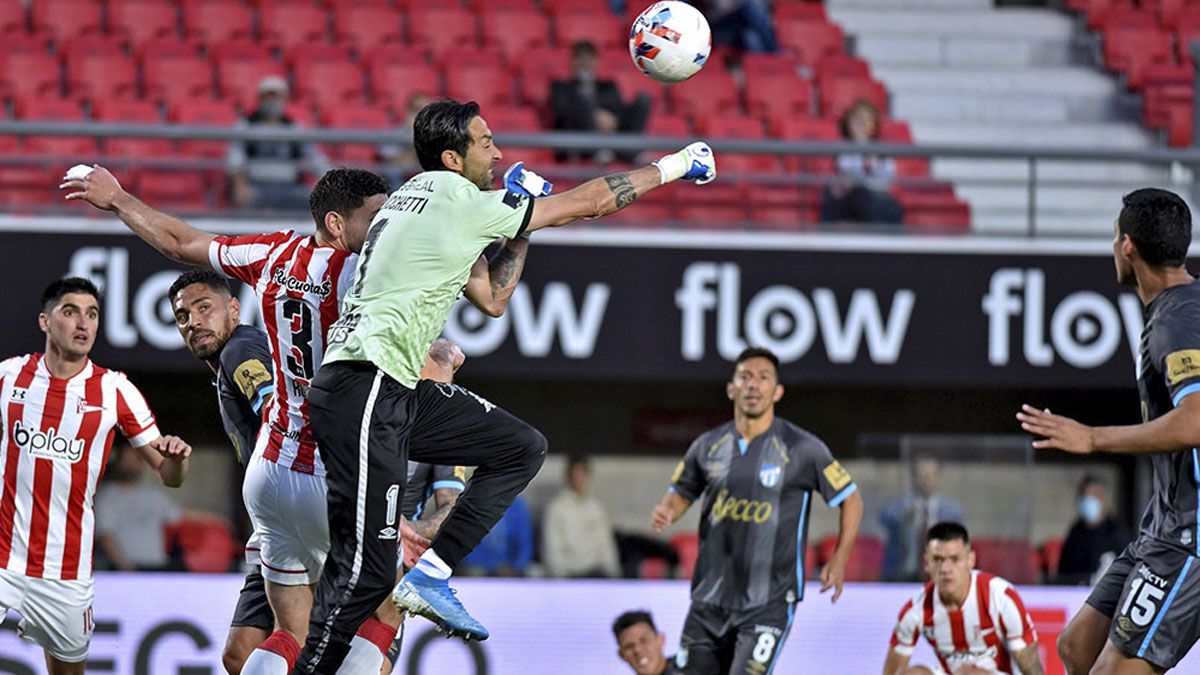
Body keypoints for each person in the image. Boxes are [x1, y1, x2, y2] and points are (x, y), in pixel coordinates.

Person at [305, 97, 713, 670]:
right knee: (365, 569)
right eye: (485, 142)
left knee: (520, 447)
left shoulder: (419, 200)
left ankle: (431, 574)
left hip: (385, 389)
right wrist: (673, 166)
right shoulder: (457, 199)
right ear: (453, 157)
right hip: (365, 385)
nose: (497, 152)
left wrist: (519, 218)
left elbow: (492, 300)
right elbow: (591, 202)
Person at [59, 167, 433, 675]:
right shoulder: (362, 275)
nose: (386, 226)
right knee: (384, 611)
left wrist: (121, 199)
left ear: (234, 308)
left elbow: (180, 240)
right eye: (376, 216)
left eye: (203, 308)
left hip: (271, 478)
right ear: (337, 223)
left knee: (278, 640)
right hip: (329, 477)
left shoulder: (271, 256)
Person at [1017, 188, 1200, 675]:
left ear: (1127, 246)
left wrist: (1093, 438)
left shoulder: (1178, 321)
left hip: (1191, 536)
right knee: (1077, 648)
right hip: (1161, 528)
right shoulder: (1178, 309)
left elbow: (1197, 419)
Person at [0, 277, 191, 674]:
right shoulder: (8, 377)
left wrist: (176, 457)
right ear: (44, 322)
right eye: (70, 312)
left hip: (66, 570)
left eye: (92, 314)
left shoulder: (115, 390)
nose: (82, 323)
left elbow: (170, 476)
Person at [649, 346, 864, 674]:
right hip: (708, 601)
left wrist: (840, 557)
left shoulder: (802, 448)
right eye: (745, 377)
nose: (753, 385)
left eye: (763, 378)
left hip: (768, 604)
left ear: (777, 392)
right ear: (731, 388)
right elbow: (681, 492)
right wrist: (668, 511)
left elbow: (850, 498)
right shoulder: (708, 446)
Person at [167, 267, 275, 674]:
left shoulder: (239, 351)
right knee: (240, 656)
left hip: (299, 519)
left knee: (297, 640)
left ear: (233, 309)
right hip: (273, 528)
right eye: (182, 316)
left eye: (204, 308)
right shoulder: (227, 364)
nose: (193, 321)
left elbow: (278, 416)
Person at [883, 522, 1043, 675]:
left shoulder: (1000, 598)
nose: (946, 569)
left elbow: (1030, 664)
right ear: (926, 563)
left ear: (970, 560)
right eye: (938, 560)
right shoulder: (916, 610)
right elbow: (891, 672)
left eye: (954, 559)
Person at [227, 76, 329, 210]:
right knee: (246, 200)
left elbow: (315, 158)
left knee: (313, 201)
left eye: (276, 97)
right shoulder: (246, 125)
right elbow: (235, 158)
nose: (272, 101)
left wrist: (323, 181)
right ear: (260, 99)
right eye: (268, 97)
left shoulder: (294, 128)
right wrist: (240, 185)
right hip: (256, 187)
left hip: (289, 187)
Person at [550, 40, 651, 163]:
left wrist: (609, 117)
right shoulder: (561, 87)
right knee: (583, 98)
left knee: (643, 100)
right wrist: (594, 115)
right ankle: (598, 151)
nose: (586, 63)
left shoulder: (609, 85)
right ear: (573, 61)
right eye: (581, 59)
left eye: (589, 59)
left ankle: (631, 151)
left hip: (613, 133)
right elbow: (561, 112)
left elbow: (619, 108)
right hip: (580, 139)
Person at [93, 443, 183, 571]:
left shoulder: (153, 494)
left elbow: (179, 515)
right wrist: (126, 568)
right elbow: (105, 536)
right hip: (124, 570)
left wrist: (217, 519)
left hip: (157, 568)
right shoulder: (105, 497)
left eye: (137, 459)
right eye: (127, 459)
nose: (132, 464)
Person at [880, 456, 966, 582]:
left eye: (929, 475)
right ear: (914, 477)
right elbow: (884, 517)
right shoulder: (900, 505)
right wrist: (905, 516)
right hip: (903, 575)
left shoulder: (952, 511)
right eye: (921, 476)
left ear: (938, 477)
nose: (925, 480)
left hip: (941, 574)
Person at [820, 99, 903, 226]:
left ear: (874, 126)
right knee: (861, 194)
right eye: (857, 120)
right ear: (848, 123)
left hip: (875, 197)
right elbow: (849, 175)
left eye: (867, 120)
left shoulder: (882, 150)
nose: (862, 124)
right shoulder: (842, 147)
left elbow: (888, 179)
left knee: (893, 207)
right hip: (844, 200)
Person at [542, 454, 621, 578]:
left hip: (595, 574)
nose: (579, 479)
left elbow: (605, 545)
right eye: (575, 474)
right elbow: (552, 548)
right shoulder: (557, 508)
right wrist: (559, 576)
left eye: (582, 474)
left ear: (589, 477)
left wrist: (613, 572)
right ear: (568, 477)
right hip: (568, 575)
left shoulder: (596, 508)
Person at [1057, 475, 1130, 586]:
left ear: (1104, 500)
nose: (1089, 501)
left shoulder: (1117, 532)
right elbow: (1064, 571)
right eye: (1085, 496)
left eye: (1094, 496)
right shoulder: (1076, 531)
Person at [459, 495, 534, 577]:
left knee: (533, 573)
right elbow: (462, 540)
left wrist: (516, 566)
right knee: (474, 572)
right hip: (477, 566)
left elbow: (525, 542)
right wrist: (491, 567)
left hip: (510, 566)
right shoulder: (469, 500)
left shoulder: (516, 504)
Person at [613, 610, 681, 675]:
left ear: (661, 639)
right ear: (622, 655)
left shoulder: (689, 666)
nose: (637, 650)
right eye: (629, 646)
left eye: (644, 641)